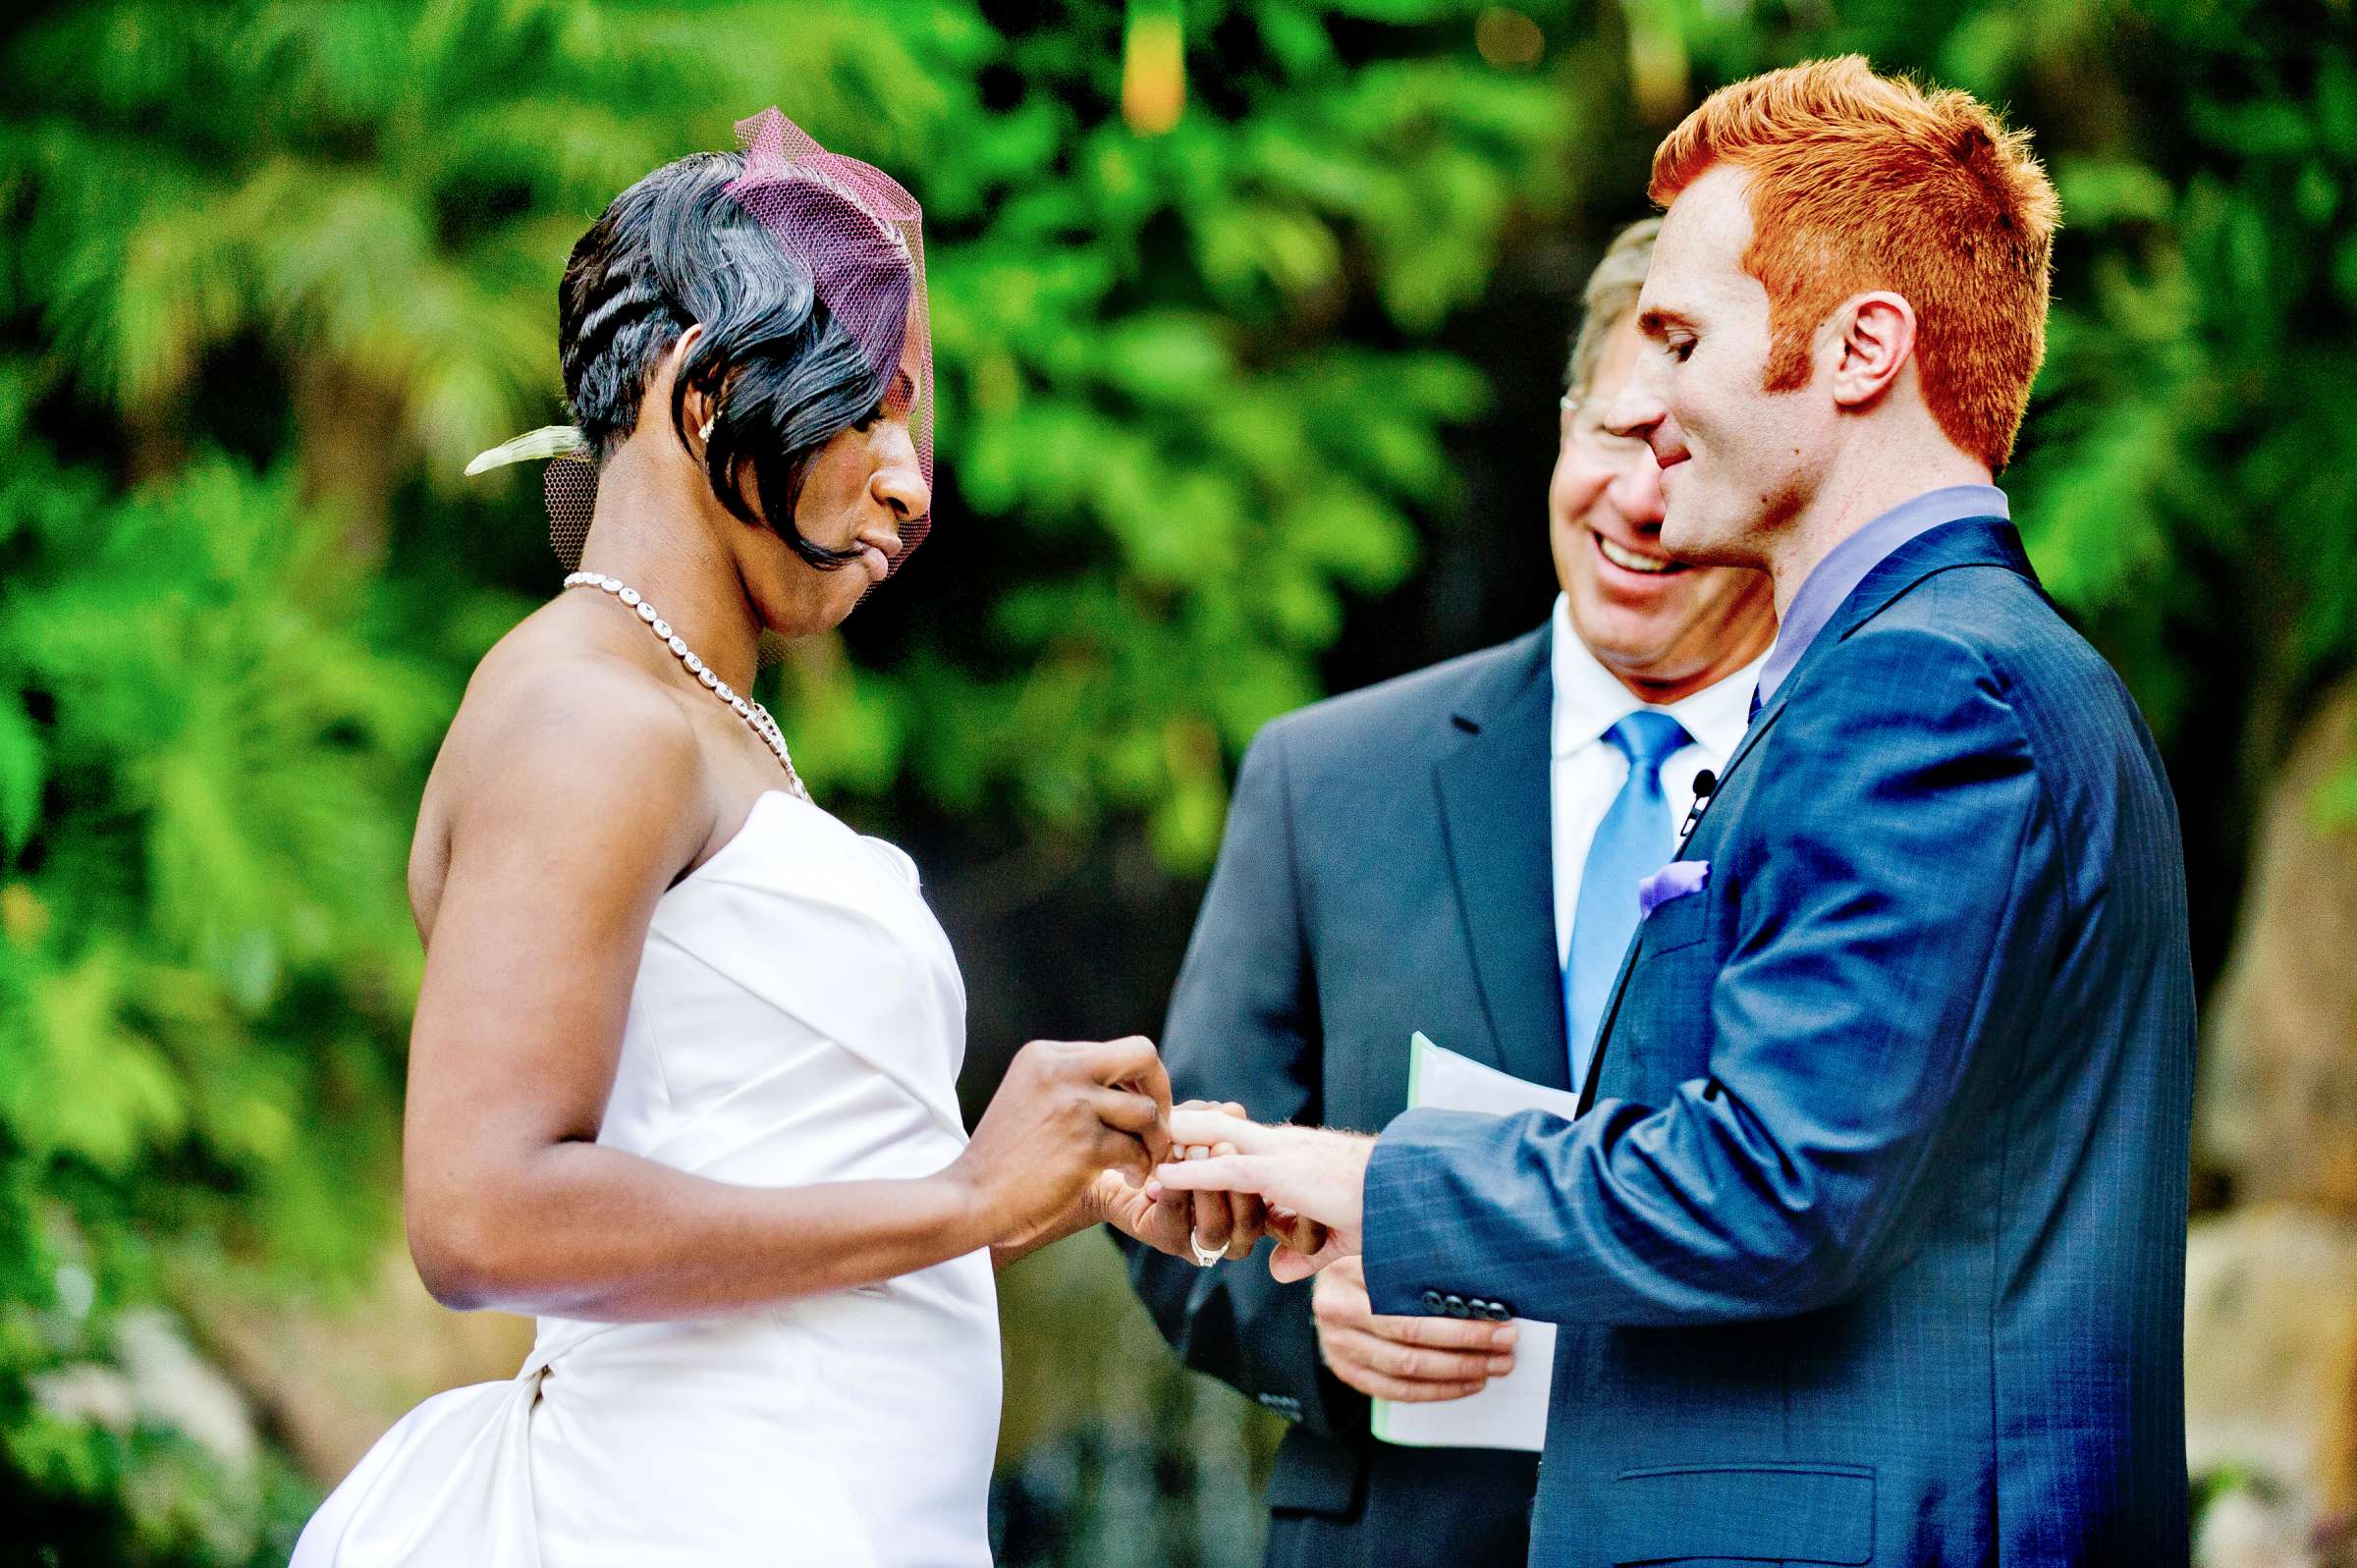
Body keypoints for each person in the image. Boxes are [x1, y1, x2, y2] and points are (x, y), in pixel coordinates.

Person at [1157, 56, 2196, 1566]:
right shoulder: (1966, 665)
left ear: (1860, 350)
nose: (1648, 399)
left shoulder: (1922, 691)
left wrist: (1367, 1176)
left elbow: (1777, 1186)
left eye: (1686, 338)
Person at [292, 110, 1211, 1568]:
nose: (912, 482)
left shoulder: (695, 711)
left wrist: (1029, 1185)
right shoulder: (587, 713)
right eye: (874, 407)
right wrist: (961, 1195)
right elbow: (481, 1211)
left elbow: (744, 1160)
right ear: (703, 393)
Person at [1124, 218, 1776, 1568]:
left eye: (1692, 457)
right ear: (1560, 424)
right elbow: (1176, 1188)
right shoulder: (1327, 776)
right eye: (1615, 435)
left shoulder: (1852, 793)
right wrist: (1319, 1319)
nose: (1639, 506)